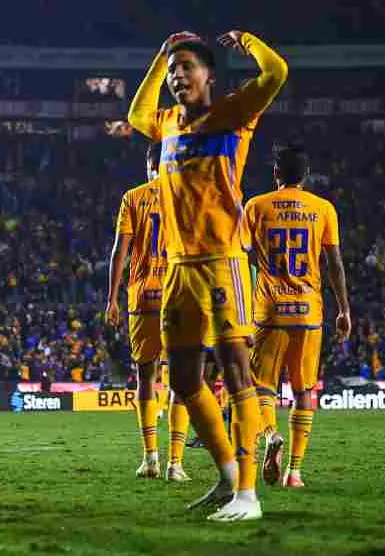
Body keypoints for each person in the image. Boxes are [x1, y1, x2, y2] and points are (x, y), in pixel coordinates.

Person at [126, 30, 287, 522]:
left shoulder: (234, 114)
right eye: (174, 70)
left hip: (222, 260)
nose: (178, 77)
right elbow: (135, 116)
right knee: (184, 378)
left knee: (237, 371)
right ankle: (225, 475)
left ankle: (248, 494)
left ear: (209, 75)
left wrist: (248, 41)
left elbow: (276, 72)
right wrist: (158, 55)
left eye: (187, 67)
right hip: (178, 267)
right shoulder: (169, 123)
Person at [244, 144, 351, 488]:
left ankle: (271, 434)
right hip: (309, 311)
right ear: (306, 176)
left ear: (276, 174)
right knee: (304, 390)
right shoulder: (323, 209)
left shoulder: (256, 206)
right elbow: (334, 263)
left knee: (262, 385)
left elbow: (241, 255)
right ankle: (295, 472)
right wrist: (344, 310)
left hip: (269, 310)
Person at [106, 142, 192, 482]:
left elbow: (120, 252)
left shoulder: (133, 197)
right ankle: (176, 463)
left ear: (148, 165)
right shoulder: (185, 196)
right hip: (179, 296)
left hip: (143, 298)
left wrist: (112, 298)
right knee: (182, 379)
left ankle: (150, 459)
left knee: (146, 376)